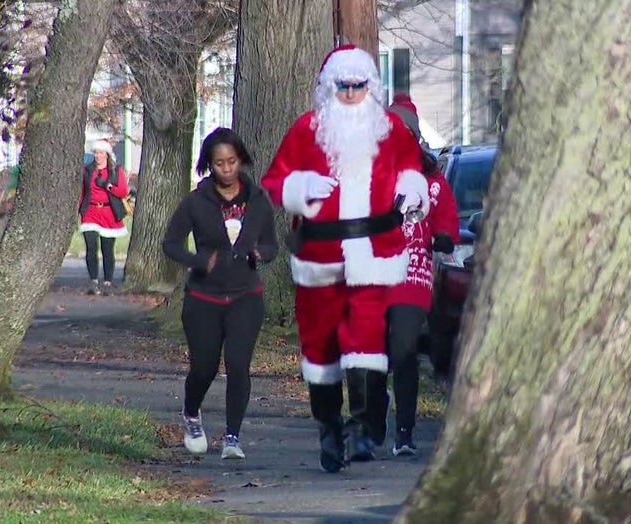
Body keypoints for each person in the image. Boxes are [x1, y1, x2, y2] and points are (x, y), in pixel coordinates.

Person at [261, 45, 429, 472]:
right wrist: (299, 186)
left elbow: (413, 170)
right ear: (329, 87)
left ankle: (362, 430)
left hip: (375, 254)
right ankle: (329, 427)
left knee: (367, 342)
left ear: (370, 87)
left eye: (358, 85)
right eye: (343, 86)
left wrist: (410, 190)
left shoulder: (390, 128)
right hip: (320, 257)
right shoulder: (306, 130)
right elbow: (274, 182)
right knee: (321, 349)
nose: (351, 93)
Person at [162, 127, 277, 459]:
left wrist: (261, 254)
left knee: (238, 365)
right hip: (204, 299)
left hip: (245, 296)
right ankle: (192, 414)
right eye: (219, 164)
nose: (227, 170)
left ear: (240, 160)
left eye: (231, 162)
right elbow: (170, 244)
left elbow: (271, 243)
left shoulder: (257, 201)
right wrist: (200, 261)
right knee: (204, 368)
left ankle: (232, 437)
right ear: (209, 165)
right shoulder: (196, 203)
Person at [385, 93, 460, 456]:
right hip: (372, 274)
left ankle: (404, 433)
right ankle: (370, 416)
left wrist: (444, 235)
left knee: (403, 350)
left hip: (412, 275)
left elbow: (446, 219)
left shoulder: (433, 182)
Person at [78, 140, 129, 296]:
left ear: (106, 155)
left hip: (108, 213)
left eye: (101, 153)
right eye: (96, 153)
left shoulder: (115, 170)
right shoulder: (88, 171)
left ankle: (107, 281)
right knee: (91, 247)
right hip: (91, 212)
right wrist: (80, 211)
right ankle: (93, 281)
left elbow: (123, 192)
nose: (98, 156)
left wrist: (108, 185)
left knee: (108, 249)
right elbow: (82, 192)